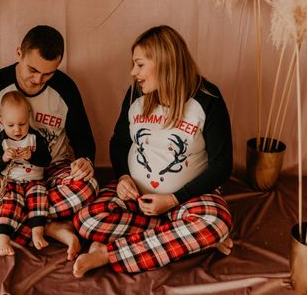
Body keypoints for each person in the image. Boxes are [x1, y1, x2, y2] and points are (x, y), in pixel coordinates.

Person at [72, 25, 233, 277]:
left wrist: (172, 200)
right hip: (136, 199)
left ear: (163, 62)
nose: (133, 72)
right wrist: (124, 176)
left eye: (139, 64)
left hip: (187, 200)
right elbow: (119, 143)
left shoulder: (207, 98)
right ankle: (181, 237)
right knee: (86, 220)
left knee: (215, 222)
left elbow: (222, 165)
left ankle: (108, 254)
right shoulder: (136, 94)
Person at [0, 25, 98, 260]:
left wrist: (85, 161)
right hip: (6, 174)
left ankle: (3, 221)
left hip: (52, 171)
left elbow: (84, 138)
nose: (38, 79)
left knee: (88, 189)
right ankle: (48, 227)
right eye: (33, 69)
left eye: (48, 73)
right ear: (19, 54)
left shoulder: (65, 88)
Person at [0, 91, 52, 256]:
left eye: (22, 124)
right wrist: (3, 158)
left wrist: (32, 156)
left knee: (39, 198)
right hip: (12, 181)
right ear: (1, 120)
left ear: (28, 117)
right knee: (9, 202)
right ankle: (3, 238)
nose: (17, 130)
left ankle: (37, 231)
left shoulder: (35, 137)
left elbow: (46, 160)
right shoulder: (0, 141)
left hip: (34, 180)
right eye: (10, 125)